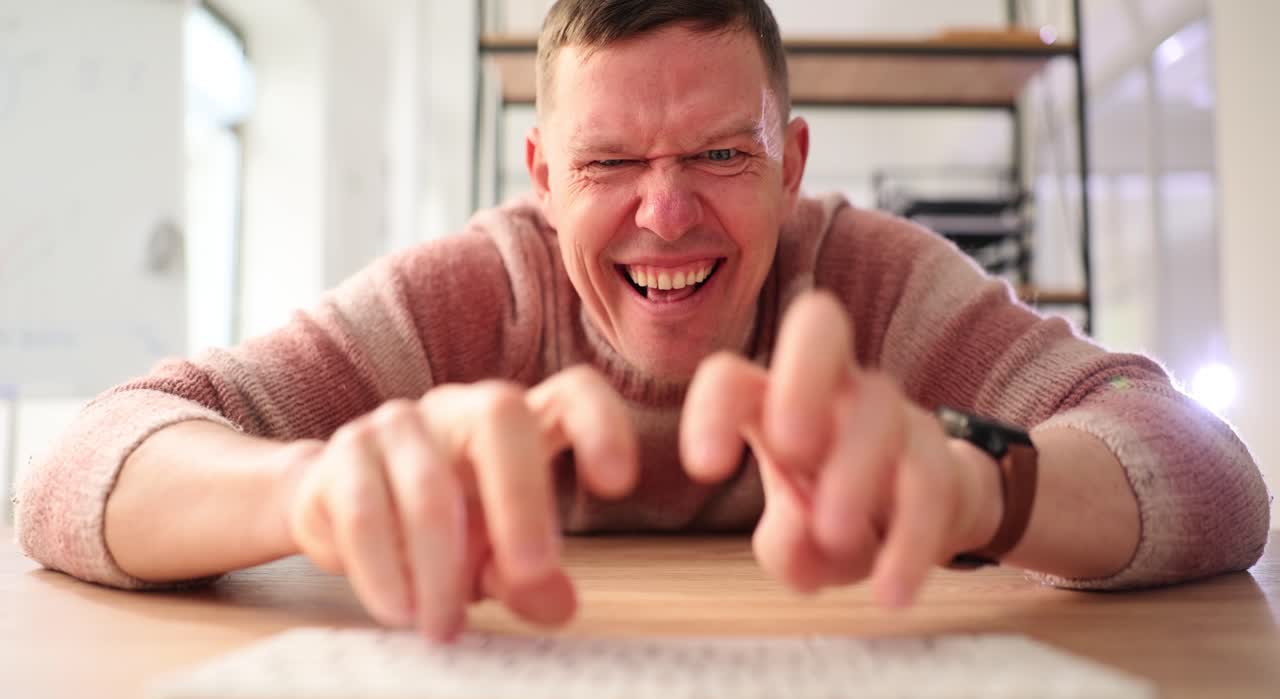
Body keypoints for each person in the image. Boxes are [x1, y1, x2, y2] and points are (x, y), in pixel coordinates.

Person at [16, 0, 1270, 643]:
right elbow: (81, 466)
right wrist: (306, 491)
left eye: (720, 152)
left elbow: (1213, 472)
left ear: (789, 163)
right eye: (609, 161)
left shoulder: (872, 283)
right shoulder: (470, 293)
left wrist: (980, 489)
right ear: (541, 176)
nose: (664, 215)